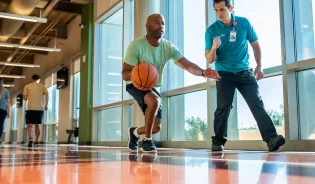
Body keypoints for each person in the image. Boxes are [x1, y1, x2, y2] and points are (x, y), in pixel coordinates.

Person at [122, 13, 220, 153]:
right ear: (147, 26)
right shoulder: (136, 46)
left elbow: (186, 65)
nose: (161, 26)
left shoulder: (168, 47)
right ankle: (148, 141)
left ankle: (135, 132)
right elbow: (124, 74)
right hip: (135, 83)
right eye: (157, 22)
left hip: (153, 85)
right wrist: (138, 73)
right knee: (154, 101)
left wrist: (203, 73)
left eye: (163, 23)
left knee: (156, 127)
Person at [205, 0, 285, 152]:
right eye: (216, 10)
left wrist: (259, 65)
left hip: (245, 72)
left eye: (222, 10)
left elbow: (255, 45)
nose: (218, 14)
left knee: (256, 103)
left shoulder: (244, 23)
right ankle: (218, 141)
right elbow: (209, 59)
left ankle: (271, 138)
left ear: (231, 8)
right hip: (224, 73)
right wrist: (214, 47)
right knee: (224, 107)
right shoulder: (211, 31)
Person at [23, 74, 48, 147]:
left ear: (32, 79)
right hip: (39, 108)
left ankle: (30, 138)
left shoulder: (27, 86)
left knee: (29, 125)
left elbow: (24, 98)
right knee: (37, 126)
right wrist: (46, 104)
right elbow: (47, 95)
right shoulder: (42, 86)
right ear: (39, 79)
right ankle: (36, 140)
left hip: (30, 108)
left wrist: (29, 98)